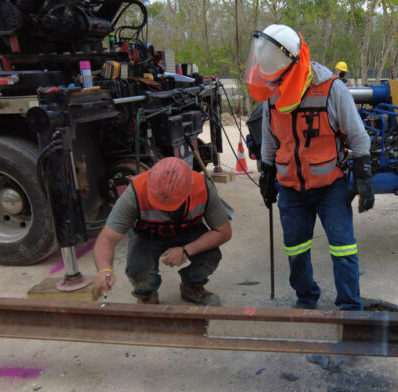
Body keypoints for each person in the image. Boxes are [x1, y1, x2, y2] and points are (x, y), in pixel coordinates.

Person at [245, 24, 374, 310]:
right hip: (291, 187)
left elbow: (359, 137)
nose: (273, 84)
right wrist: (267, 177)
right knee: (296, 249)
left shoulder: (332, 89)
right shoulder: (273, 92)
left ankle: (350, 307)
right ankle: (306, 298)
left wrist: (364, 178)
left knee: (343, 248)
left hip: (331, 186)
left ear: (292, 66)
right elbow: (269, 142)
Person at [92, 157, 232, 305]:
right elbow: (106, 239)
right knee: (138, 270)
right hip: (148, 234)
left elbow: (224, 232)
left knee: (210, 257)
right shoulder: (136, 192)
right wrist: (104, 271)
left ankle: (192, 285)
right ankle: (146, 295)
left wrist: (185, 250)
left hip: (188, 230)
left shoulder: (202, 187)